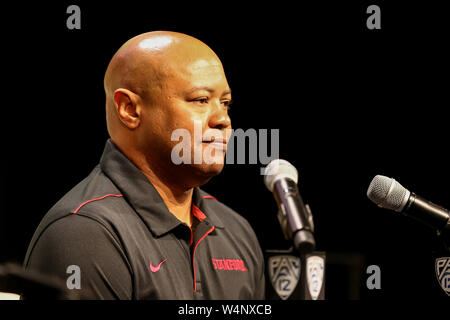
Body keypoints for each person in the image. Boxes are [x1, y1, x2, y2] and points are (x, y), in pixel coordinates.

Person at [23, 31, 265, 299]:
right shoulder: (83, 232)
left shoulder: (235, 230)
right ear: (129, 109)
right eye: (200, 100)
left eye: (226, 103)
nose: (223, 119)